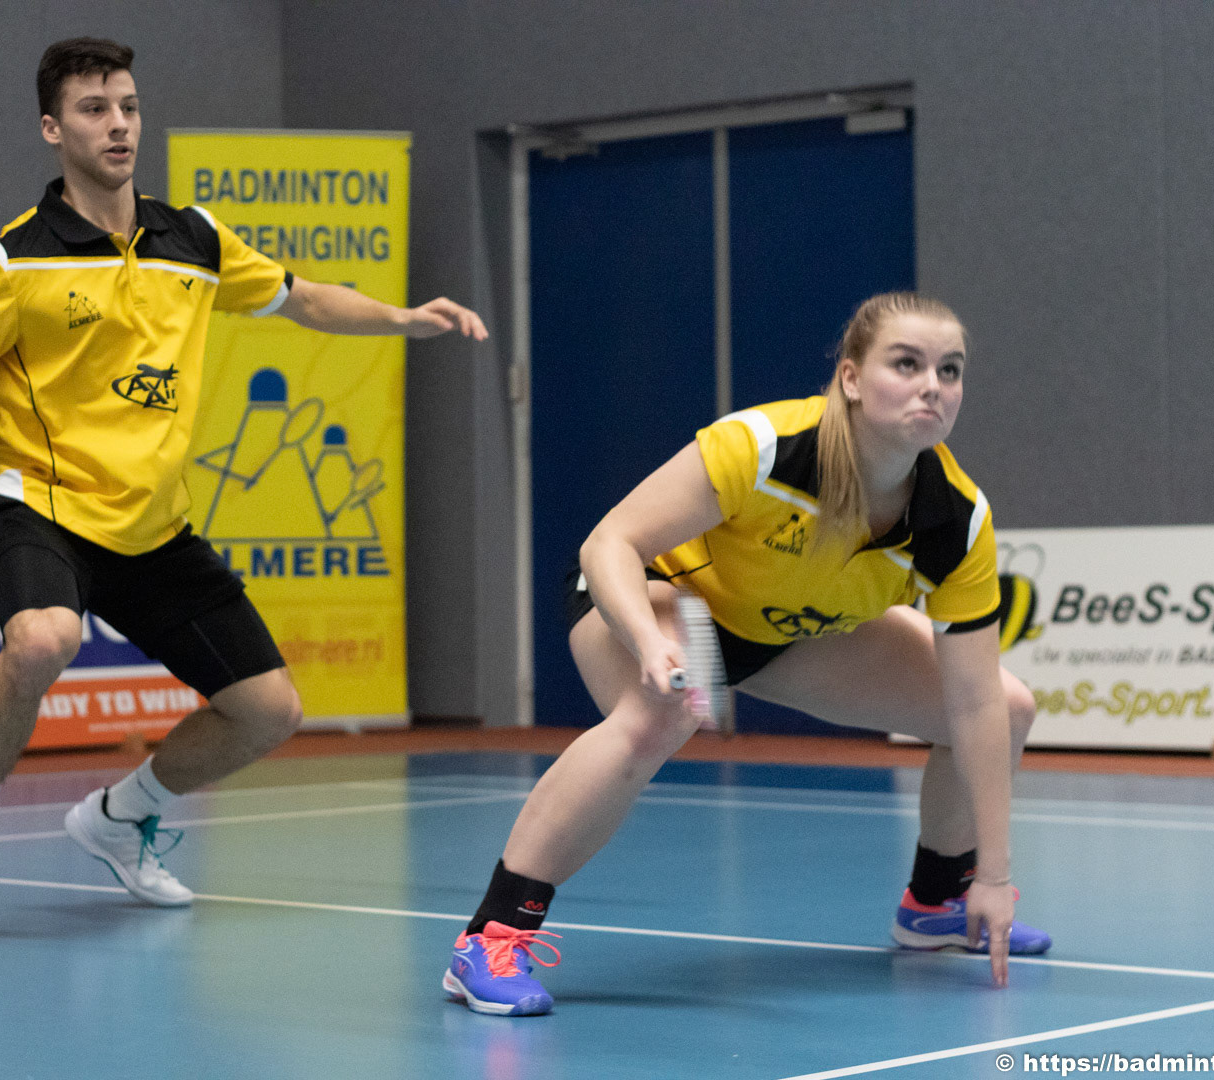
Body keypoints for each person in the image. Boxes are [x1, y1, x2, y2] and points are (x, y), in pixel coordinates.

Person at [0, 37, 487, 939]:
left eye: (128, 106)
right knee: (43, 639)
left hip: (155, 527)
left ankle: (120, 817)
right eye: (94, 109)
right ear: (52, 129)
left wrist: (403, 317)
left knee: (269, 711)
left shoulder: (193, 240)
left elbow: (302, 297)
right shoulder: (13, 260)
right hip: (42, 506)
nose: (119, 124)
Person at [444, 291, 1048, 1016]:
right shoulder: (766, 448)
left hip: (783, 631)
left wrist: (994, 874)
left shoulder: (956, 518)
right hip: (661, 596)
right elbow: (611, 543)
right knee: (665, 713)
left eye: (949, 370)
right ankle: (490, 937)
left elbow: (974, 702)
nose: (932, 386)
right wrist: (647, 642)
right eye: (906, 364)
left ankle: (937, 903)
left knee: (1009, 706)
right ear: (852, 378)